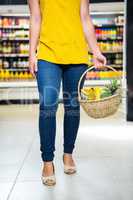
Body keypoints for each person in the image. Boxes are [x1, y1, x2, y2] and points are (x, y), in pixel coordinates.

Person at [28, 0, 107, 186]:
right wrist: (32, 53)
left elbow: (85, 17)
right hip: (48, 54)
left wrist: (95, 50)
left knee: (72, 106)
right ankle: (48, 161)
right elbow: (36, 17)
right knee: (47, 104)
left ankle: (68, 154)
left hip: (77, 53)